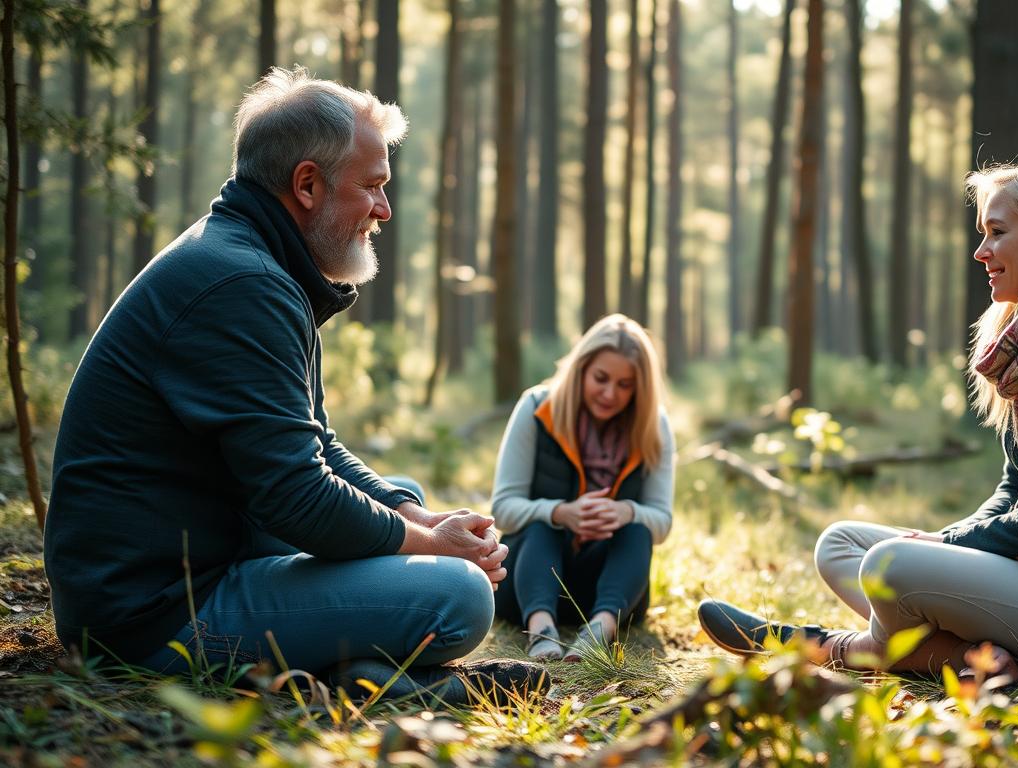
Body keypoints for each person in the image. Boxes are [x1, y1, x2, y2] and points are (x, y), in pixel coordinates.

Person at [44, 67, 546, 703]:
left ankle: (355, 675)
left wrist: (410, 515)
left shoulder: (251, 261)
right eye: (372, 187)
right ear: (307, 184)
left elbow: (317, 446)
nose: (385, 210)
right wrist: (431, 544)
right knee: (459, 593)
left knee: (405, 498)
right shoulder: (241, 285)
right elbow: (297, 497)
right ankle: (372, 681)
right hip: (151, 620)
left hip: (203, 554)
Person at [698, 149, 1018, 684]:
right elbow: (1016, 487)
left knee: (889, 566)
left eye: (998, 233)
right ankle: (970, 659)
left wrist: (952, 547)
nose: (981, 252)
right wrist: (955, 539)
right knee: (842, 543)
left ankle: (831, 648)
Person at [490, 315, 675, 661]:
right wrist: (561, 513)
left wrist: (626, 511)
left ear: (640, 388)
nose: (610, 394)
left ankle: (598, 632)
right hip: (528, 582)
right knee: (542, 524)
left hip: (610, 588)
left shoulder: (654, 426)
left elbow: (662, 522)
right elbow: (502, 508)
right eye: (601, 379)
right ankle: (541, 630)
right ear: (580, 370)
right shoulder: (535, 408)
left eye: (625, 385)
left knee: (638, 529)